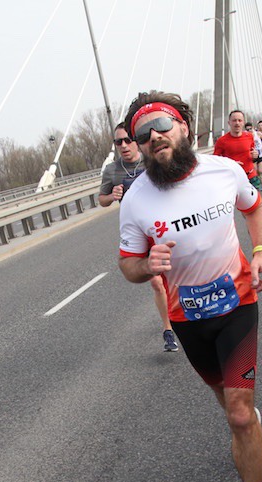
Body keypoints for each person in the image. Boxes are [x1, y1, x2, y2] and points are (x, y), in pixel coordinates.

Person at [118, 91, 262, 482]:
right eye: (143, 134)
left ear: (184, 127)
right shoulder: (136, 200)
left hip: (238, 305)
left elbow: (255, 208)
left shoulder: (223, 171)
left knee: (239, 414)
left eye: (162, 126)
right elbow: (128, 265)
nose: (154, 137)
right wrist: (146, 266)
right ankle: (248, 430)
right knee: (229, 404)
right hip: (188, 320)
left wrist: (261, 251)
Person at [100, 122, 179, 352]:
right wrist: (112, 196)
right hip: (137, 231)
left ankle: (185, 310)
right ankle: (168, 330)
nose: (124, 146)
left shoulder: (151, 160)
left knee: (177, 273)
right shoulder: (112, 170)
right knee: (156, 280)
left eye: (128, 140)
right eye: (118, 142)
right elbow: (101, 199)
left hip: (163, 224)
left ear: (136, 141)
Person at [214, 109, 262, 191]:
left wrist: (255, 155)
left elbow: (252, 155)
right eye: (234, 120)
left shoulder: (249, 136)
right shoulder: (221, 141)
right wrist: (231, 164)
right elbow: (215, 161)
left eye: (239, 120)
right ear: (229, 123)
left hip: (251, 176)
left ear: (243, 122)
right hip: (233, 179)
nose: (237, 123)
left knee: (257, 199)